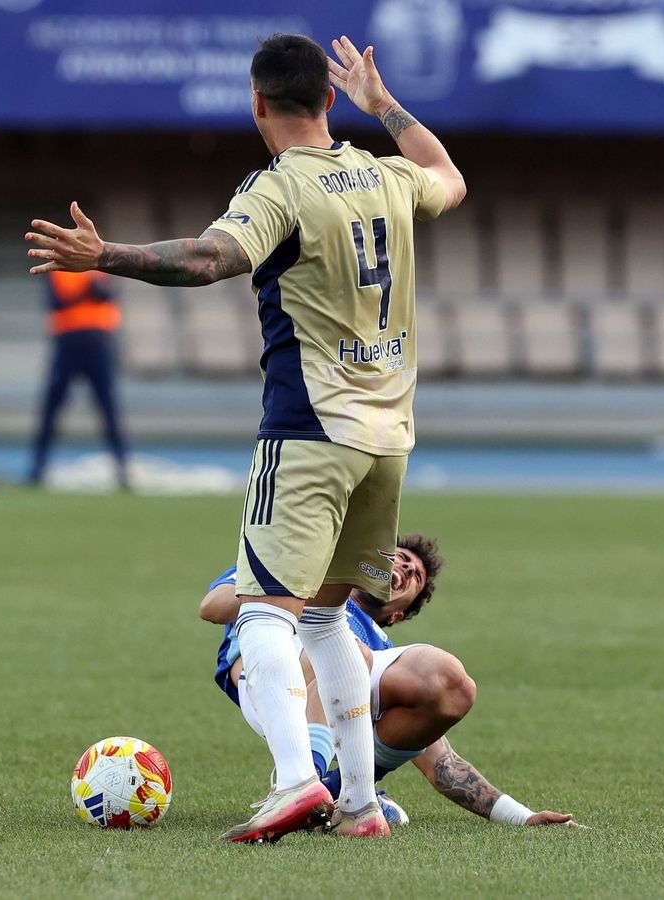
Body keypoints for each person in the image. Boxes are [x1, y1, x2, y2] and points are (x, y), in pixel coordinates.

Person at [25, 33, 465, 842]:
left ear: (257, 103)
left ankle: (297, 782)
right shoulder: (384, 170)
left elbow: (207, 259)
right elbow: (449, 176)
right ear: (330, 100)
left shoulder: (279, 187)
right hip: (388, 434)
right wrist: (387, 106)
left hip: (308, 429)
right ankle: (362, 806)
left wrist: (103, 254)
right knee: (329, 616)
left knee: (266, 611)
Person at [199, 534, 581, 832]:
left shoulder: (382, 652)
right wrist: (296, 587)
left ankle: (331, 794)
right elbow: (212, 607)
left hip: (352, 676)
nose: (404, 567)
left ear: (399, 614)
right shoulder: (307, 567)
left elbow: (442, 763)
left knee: (449, 685)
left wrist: (522, 817)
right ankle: (305, 783)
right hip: (271, 681)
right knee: (346, 655)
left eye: (415, 574)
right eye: (398, 557)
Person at [27, 270, 129, 490]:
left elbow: (106, 294)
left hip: (97, 342)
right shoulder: (58, 270)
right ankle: (36, 469)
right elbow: (57, 302)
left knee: (108, 408)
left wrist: (84, 292)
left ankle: (122, 470)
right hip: (68, 342)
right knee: (51, 408)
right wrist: (85, 290)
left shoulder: (100, 264)